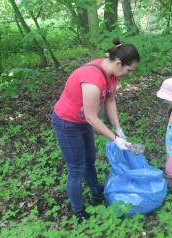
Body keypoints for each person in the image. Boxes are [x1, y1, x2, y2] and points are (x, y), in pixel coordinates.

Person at [51, 39, 140, 223]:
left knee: (90, 160)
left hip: (82, 122)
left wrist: (118, 129)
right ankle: (79, 211)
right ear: (118, 63)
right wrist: (115, 140)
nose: (129, 74)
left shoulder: (113, 74)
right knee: (76, 169)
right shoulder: (92, 80)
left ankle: (96, 192)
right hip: (67, 123)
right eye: (129, 70)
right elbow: (92, 117)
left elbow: (110, 101)